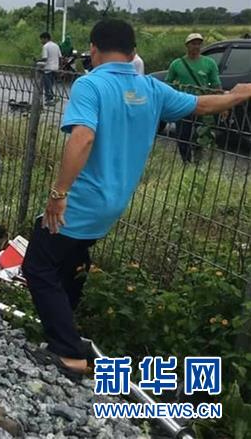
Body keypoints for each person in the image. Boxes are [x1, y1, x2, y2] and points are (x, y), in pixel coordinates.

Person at [22, 19, 251, 379]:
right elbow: (201, 105)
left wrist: (58, 194)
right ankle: (64, 332)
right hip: (115, 202)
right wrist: (237, 96)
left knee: (37, 265)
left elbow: (82, 138)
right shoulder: (151, 88)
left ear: (94, 49)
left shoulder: (90, 84)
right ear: (132, 53)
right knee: (72, 261)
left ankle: (67, 352)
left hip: (82, 200)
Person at [165, 33, 222, 163]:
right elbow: (169, 83)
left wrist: (221, 103)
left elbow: (216, 84)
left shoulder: (209, 63)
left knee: (201, 135)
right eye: (193, 43)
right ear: (187, 45)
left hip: (202, 105)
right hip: (182, 105)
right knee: (182, 136)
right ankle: (186, 161)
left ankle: (198, 161)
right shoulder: (176, 64)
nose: (196, 46)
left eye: (198, 43)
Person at [39, 31, 61, 106]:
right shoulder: (56, 45)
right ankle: (50, 98)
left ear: (45, 38)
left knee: (47, 84)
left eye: (41, 39)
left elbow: (45, 58)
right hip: (55, 67)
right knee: (51, 83)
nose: (41, 41)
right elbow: (60, 57)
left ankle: (50, 98)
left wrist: (38, 61)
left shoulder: (45, 46)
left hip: (48, 68)